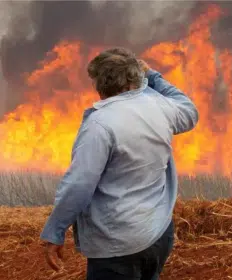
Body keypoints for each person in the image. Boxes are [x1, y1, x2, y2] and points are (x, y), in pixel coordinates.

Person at [40, 47, 198, 280]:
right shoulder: (159, 106)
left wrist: (55, 231)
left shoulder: (100, 124)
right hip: (157, 234)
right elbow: (189, 111)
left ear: (99, 84)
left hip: (118, 245)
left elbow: (79, 185)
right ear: (136, 77)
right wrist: (153, 76)